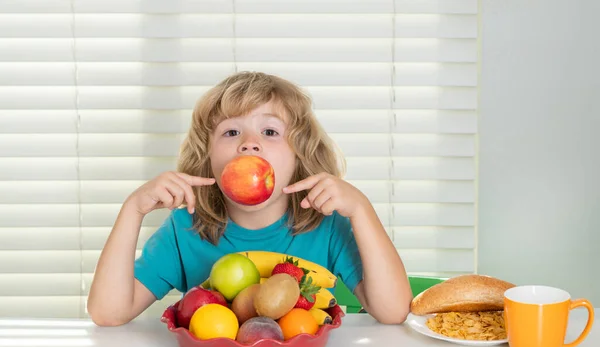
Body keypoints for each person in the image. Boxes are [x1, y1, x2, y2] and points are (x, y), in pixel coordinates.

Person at [87, 71, 413, 326]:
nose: (249, 144)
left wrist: (361, 210)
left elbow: (394, 311)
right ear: (207, 156)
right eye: (231, 132)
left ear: (299, 156)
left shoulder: (327, 226)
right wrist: (133, 210)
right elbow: (108, 313)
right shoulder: (186, 227)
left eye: (270, 132)